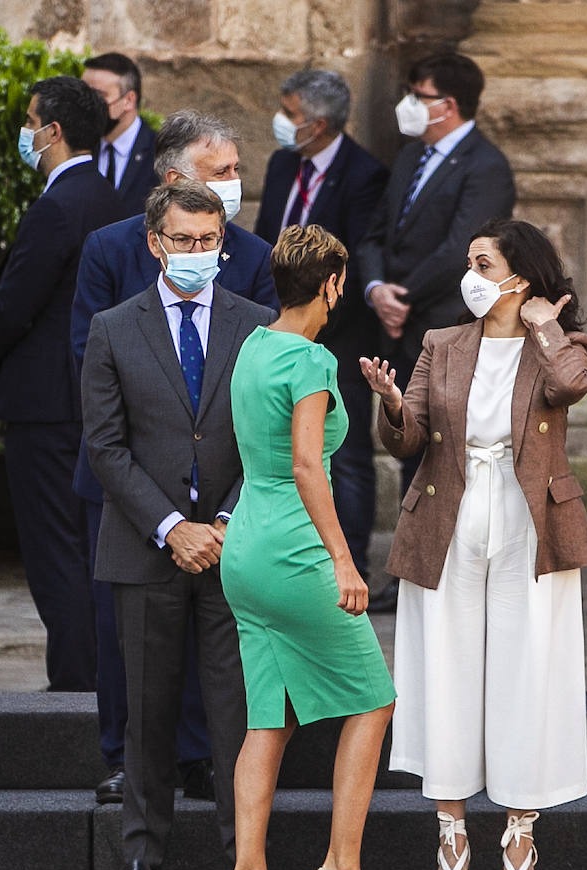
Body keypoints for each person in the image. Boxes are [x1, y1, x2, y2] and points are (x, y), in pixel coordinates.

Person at [362, 218, 587, 870]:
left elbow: (571, 386)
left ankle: (521, 834)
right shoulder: (441, 342)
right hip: (447, 515)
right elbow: (409, 439)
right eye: (469, 259)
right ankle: (451, 835)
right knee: (446, 665)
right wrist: (389, 405)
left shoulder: (560, 343)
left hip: (532, 522)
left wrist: (542, 324)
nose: (470, 273)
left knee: (529, 666)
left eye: (482, 261)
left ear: (518, 275)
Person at [71, 110, 280, 811]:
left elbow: (265, 375)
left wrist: (219, 511)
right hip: (129, 480)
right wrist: (162, 506)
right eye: (218, 171)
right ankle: (121, 761)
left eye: (234, 170)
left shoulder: (251, 255)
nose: (233, 183)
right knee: (125, 638)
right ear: (171, 181)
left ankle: (200, 759)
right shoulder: (107, 248)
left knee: (214, 647)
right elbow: (90, 356)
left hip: (223, 493)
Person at [220, 224, 398, 870]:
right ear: (331, 284)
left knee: (271, 718)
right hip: (295, 551)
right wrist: (345, 561)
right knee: (375, 698)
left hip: (245, 549)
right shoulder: (312, 361)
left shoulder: (254, 346)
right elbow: (305, 464)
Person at [0, 75, 124, 693]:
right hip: (91, 400)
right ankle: (93, 676)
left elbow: (14, 304)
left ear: (52, 132)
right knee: (84, 546)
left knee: (55, 551)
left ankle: (75, 681)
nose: (25, 133)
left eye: (30, 122)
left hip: (46, 405)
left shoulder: (59, 205)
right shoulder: (112, 197)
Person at [355, 51, 516, 614]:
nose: (408, 105)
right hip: (399, 322)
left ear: (446, 105)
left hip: (443, 322)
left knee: (445, 448)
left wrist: (405, 296)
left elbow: (465, 249)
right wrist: (377, 289)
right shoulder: (409, 158)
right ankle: (409, 565)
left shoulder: (485, 165)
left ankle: (439, 564)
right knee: (408, 445)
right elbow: (375, 232)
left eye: (416, 95)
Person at [256, 69, 390, 585]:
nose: (283, 123)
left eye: (291, 114)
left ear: (320, 122)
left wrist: (315, 323)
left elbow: (354, 262)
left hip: (338, 337)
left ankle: (348, 561)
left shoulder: (364, 175)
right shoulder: (281, 164)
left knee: (345, 457)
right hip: (277, 329)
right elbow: (269, 239)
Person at [82, 53, 156, 216]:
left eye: (98, 96)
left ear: (128, 100)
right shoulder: (78, 147)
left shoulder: (159, 153)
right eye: (84, 94)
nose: (88, 105)